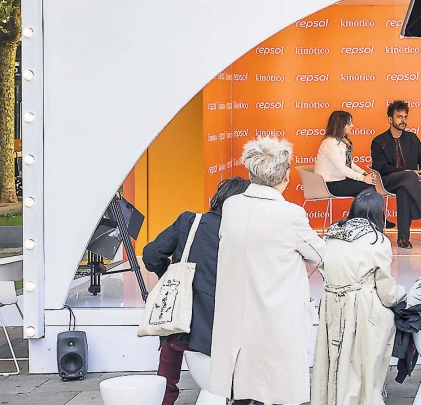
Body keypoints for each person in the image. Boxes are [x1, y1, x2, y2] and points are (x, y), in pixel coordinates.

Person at [210, 138, 326, 405]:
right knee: (276, 389)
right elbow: (320, 255)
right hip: (275, 321)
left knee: (241, 388)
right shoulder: (291, 215)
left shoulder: (231, 206)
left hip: (237, 319)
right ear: (286, 175)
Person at [142, 177, 251, 405]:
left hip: (179, 324)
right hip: (220, 333)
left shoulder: (190, 222)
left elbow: (151, 255)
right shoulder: (245, 235)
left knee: (168, 370)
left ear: (217, 198)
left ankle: (165, 399)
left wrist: (169, 273)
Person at [311, 188, 406, 405]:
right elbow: (386, 292)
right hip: (361, 306)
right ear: (379, 214)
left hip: (330, 304)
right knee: (364, 357)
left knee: (331, 360)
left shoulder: (331, 234)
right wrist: (400, 294)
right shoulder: (377, 240)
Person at [370, 100, 421, 249]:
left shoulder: (412, 138)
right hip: (387, 181)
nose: (403, 120)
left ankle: (403, 238)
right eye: (399, 117)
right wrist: (407, 173)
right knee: (409, 177)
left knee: (404, 189)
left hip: (408, 183)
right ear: (390, 119)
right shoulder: (379, 141)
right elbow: (380, 167)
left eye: (405, 117)